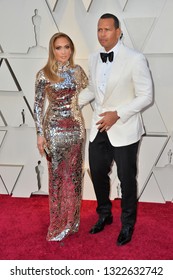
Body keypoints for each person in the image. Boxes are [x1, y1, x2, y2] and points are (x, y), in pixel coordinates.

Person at [78, 13, 153, 246]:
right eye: (99, 30)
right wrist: (70, 103)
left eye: (107, 30)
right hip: (99, 127)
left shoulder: (135, 58)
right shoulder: (93, 58)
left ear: (118, 32)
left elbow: (146, 96)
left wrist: (117, 113)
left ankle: (128, 223)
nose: (102, 34)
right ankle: (104, 214)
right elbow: (93, 89)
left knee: (126, 178)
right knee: (97, 172)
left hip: (124, 127)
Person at [33, 32, 88, 241]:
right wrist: (40, 134)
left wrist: (76, 107)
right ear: (52, 50)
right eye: (59, 47)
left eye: (67, 47)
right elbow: (38, 106)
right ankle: (57, 225)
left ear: (71, 49)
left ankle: (72, 222)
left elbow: (90, 91)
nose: (63, 52)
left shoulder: (77, 72)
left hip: (75, 129)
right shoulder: (43, 74)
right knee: (56, 178)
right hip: (54, 130)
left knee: (74, 178)